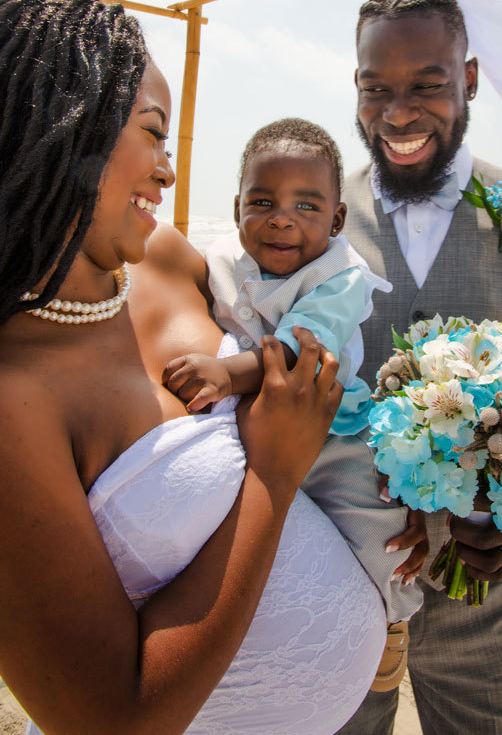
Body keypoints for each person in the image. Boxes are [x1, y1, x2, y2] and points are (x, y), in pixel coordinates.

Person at [0, 0, 389, 735]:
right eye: (152, 134)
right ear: (66, 130)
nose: (170, 172)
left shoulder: (164, 261)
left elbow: (284, 364)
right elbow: (108, 719)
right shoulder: (14, 397)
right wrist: (274, 477)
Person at [338, 0, 502, 735]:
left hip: (485, 595)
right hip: (341, 584)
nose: (398, 112)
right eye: (374, 87)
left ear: (470, 80)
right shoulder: (312, 220)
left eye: (428, 84)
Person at [163, 118, 426, 676]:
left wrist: (225, 373)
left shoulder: (340, 278)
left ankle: (392, 617)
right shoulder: (219, 262)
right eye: (262, 201)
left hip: (332, 425)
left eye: (307, 207)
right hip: (250, 424)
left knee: (372, 520)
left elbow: (299, 349)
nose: (281, 218)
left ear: (337, 220)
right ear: (237, 208)